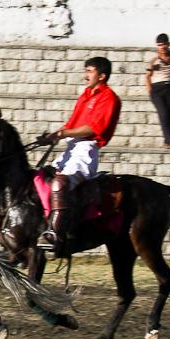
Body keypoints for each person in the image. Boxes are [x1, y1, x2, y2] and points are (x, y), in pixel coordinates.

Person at [35, 57, 121, 255]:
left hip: (86, 150)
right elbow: (71, 125)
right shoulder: (86, 95)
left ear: (102, 76)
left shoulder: (109, 98)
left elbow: (92, 129)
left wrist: (63, 133)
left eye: (90, 71)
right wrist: (51, 137)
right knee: (41, 176)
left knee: (60, 184)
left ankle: (54, 234)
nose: (85, 75)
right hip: (71, 148)